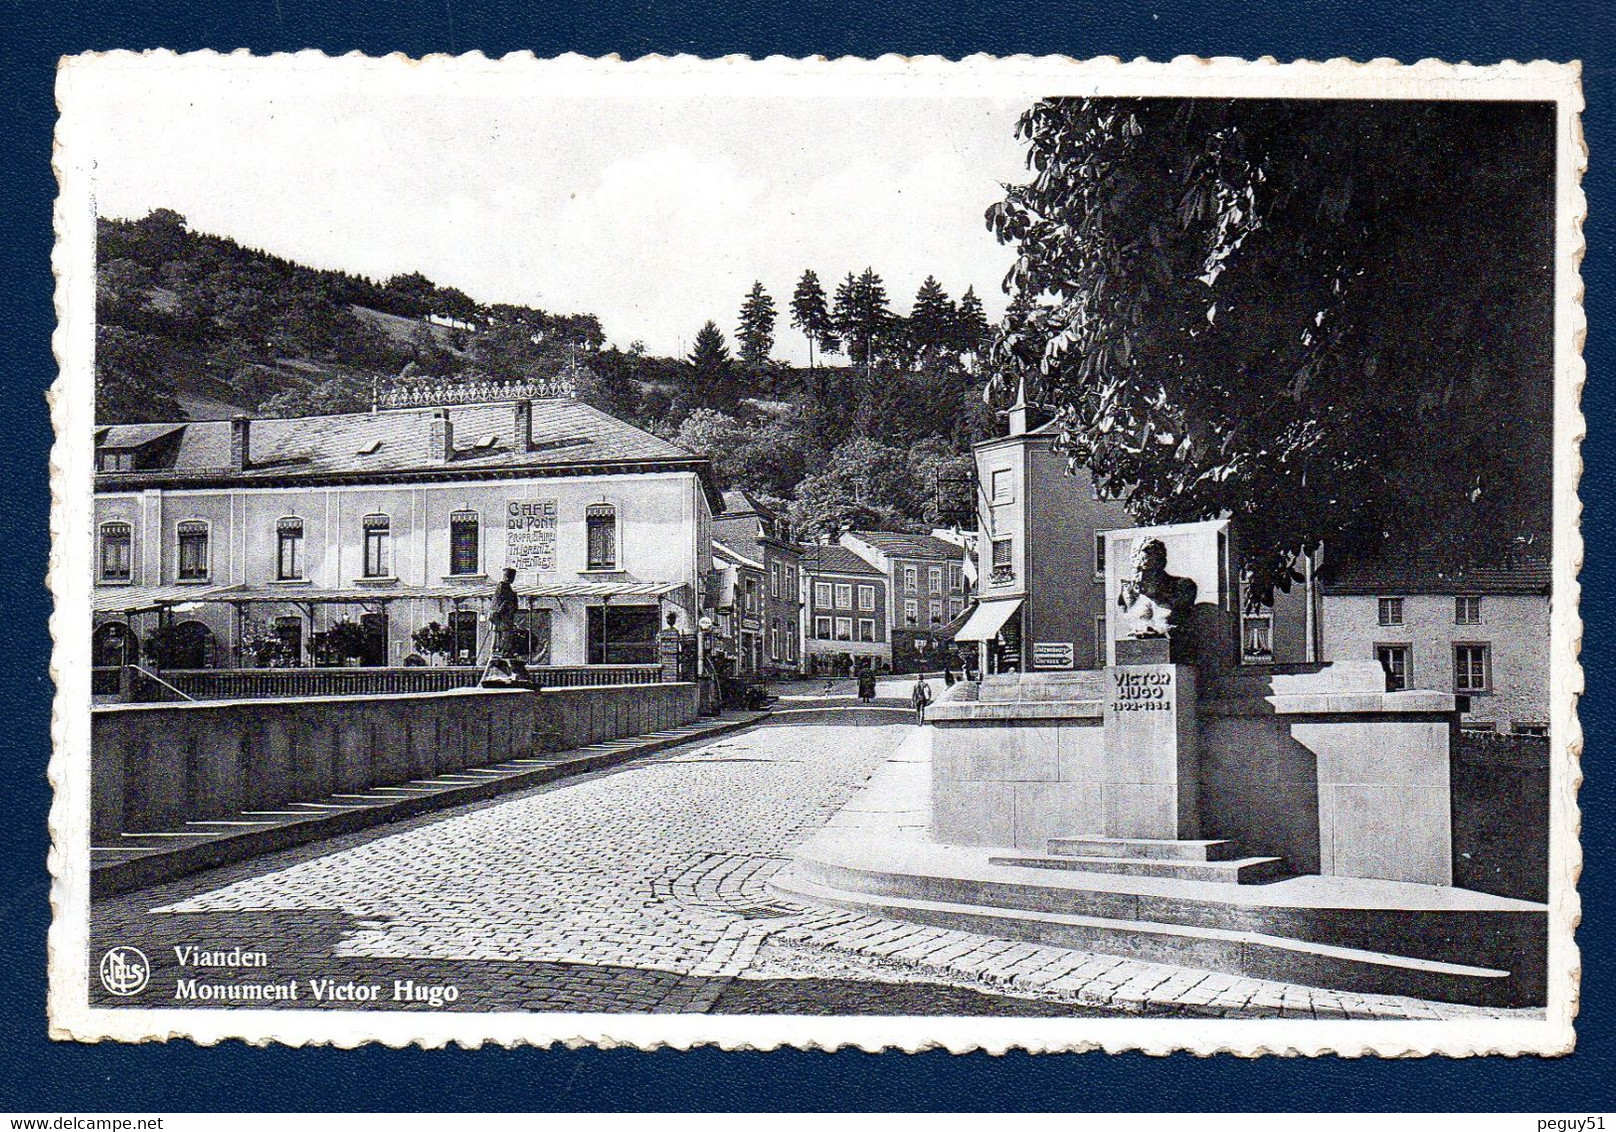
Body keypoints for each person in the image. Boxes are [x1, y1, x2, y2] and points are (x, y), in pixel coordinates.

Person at [489, 567, 519, 657]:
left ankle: (502, 650)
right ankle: (498, 650)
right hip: (501, 616)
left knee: (503, 633)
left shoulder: (506, 587)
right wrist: (499, 612)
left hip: (503, 615)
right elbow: (504, 601)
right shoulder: (503, 586)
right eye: (511, 577)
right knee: (499, 633)